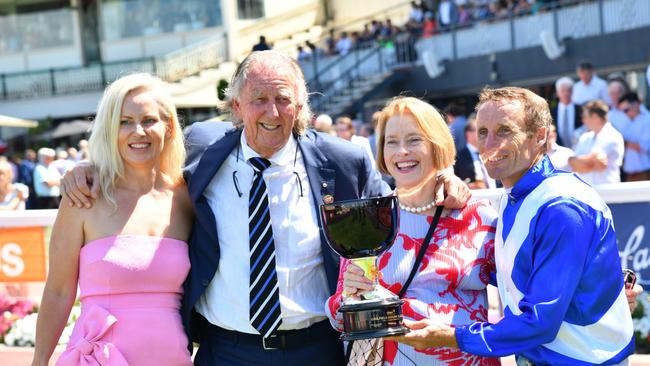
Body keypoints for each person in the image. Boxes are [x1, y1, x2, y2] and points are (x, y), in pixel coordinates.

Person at [60, 50, 471, 366]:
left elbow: (394, 210)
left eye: (283, 99)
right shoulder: (202, 148)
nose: (272, 112)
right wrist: (88, 168)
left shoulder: (345, 161)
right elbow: (145, 150)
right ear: (236, 106)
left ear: (301, 105)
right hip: (225, 351)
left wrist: (443, 178)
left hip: (318, 349)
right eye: (258, 99)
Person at [391, 87, 635, 365]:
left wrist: (452, 336)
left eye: (504, 131)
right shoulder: (517, 195)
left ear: (540, 135)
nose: (490, 143)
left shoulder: (561, 206)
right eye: (482, 132)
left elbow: (539, 323)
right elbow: (514, 275)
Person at [32, 73, 193, 365]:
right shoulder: (83, 197)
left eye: (148, 120)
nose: (138, 132)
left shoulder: (186, 199)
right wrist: (39, 362)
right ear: (109, 129)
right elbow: (57, 291)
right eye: (124, 122)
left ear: (169, 126)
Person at [327, 97, 500, 365]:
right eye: (391, 141)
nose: (402, 151)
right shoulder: (365, 222)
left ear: (437, 145)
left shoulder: (479, 217)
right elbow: (340, 319)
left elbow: (518, 303)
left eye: (414, 139)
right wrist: (350, 296)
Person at [569, 100, 624, 185]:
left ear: (595, 117)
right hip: (586, 191)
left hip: (608, 192)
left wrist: (578, 161)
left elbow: (600, 163)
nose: (583, 121)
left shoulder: (613, 135)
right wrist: (576, 161)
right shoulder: (585, 137)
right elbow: (572, 164)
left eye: (585, 117)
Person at [453, 115, 496, 189]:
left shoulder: (492, 153)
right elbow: (453, 183)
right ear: (468, 134)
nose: (485, 134)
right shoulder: (458, 157)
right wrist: (469, 186)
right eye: (480, 131)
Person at [617, 92, 650, 181]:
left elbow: (644, 147)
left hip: (645, 173)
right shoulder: (628, 121)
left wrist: (623, 142)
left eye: (626, 110)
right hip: (629, 174)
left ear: (637, 104)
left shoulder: (647, 120)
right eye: (623, 111)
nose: (625, 113)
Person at [551, 76, 583, 148]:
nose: (566, 93)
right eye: (563, 91)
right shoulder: (553, 112)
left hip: (578, 147)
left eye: (568, 90)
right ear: (557, 93)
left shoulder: (580, 109)